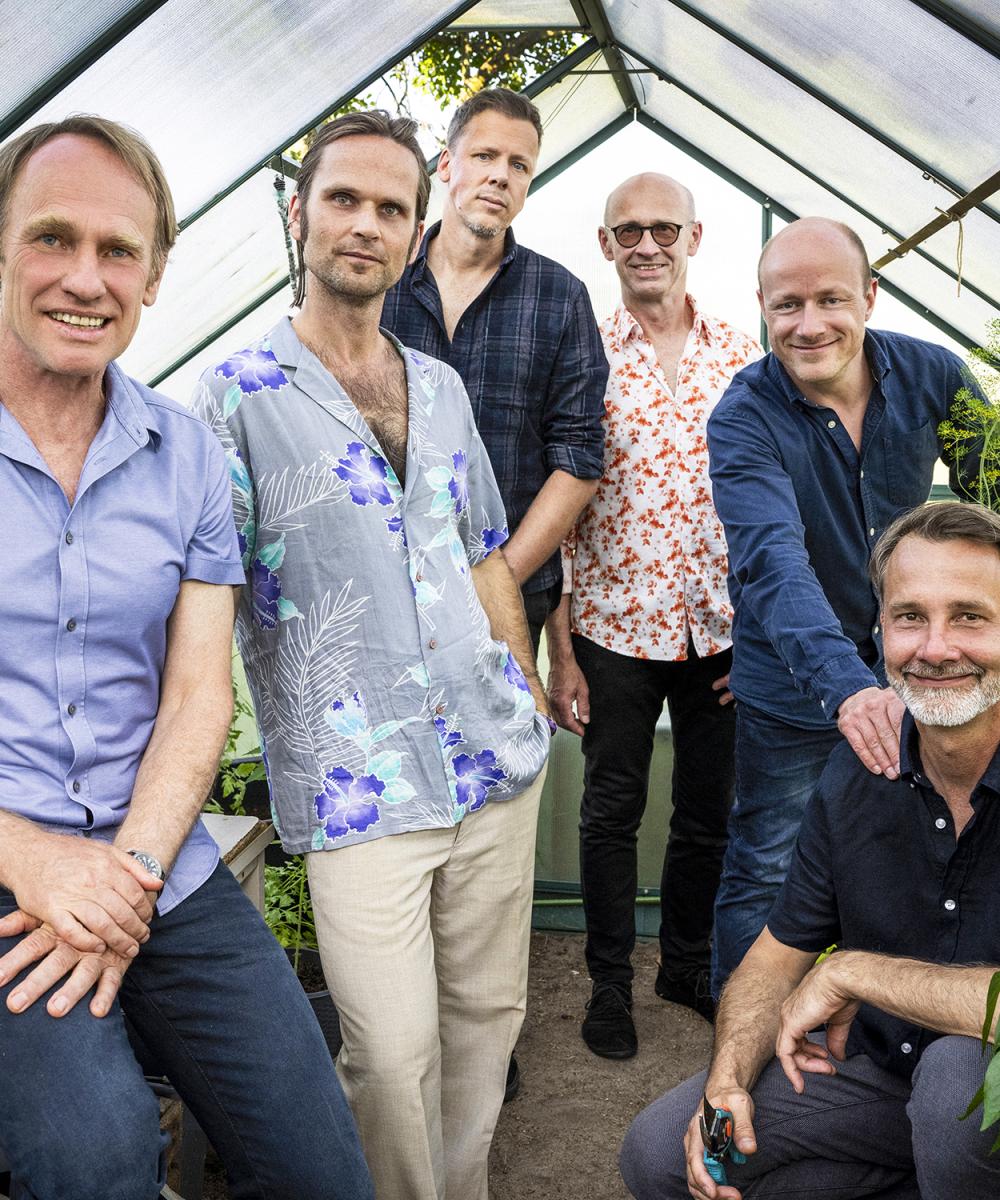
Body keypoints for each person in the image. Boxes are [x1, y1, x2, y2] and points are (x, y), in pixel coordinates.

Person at [0, 117, 371, 1200]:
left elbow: (200, 694)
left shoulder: (188, 455)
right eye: (51, 237)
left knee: (320, 1166)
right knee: (99, 1158)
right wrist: (33, 860)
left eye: (118, 250)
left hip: (156, 860)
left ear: (156, 274)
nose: (85, 278)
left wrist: (129, 880)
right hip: (8, 873)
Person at [194, 110, 551, 1200]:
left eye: (390, 208)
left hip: (490, 757)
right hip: (356, 784)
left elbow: (484, 548)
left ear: (414, 231)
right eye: (342, 199)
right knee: (391, 1058)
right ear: (297, 214)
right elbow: (205, 594)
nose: (365, 224)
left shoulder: (438, 386)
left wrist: (526, 689)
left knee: (486, 1022)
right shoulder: (233, 394)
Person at [621, 500, 1000, 1200]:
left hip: (978, 1095)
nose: (936, 647)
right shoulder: (862, 768)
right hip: (883, 1078)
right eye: (910, 617)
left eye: (970, 617)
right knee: (664, 1152)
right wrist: (727, 1079)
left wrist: (853, 974)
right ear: (879, 628)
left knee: (956, 1088)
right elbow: (775, 957)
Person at [708, 216, 984, 994]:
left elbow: (992, 498)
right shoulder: (743, 416)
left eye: (830, 299)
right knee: (768, 864)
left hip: (922, 671)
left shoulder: (936, 377)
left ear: (870, 296)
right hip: (796, 690)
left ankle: (878, 1023)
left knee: (905, 857)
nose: (809, 325)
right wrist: (850, 688)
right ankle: (742, 1039)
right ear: (763, 308)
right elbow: (773, 563)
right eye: (786, 305)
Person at [545, 173, 760, 1059]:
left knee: (708, 812)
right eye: (628, 230)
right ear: (605, 245)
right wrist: (561, 652)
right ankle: (609, 986)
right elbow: (555, 513)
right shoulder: (583, 356)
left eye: (663, 229)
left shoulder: (742, 355)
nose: (646, 245)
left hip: (722, 633)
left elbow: (767, 500)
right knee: (611, 813)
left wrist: (763, 637)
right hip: (612, 632)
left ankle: (685, 965)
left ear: (693, 238)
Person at [381, 87, 608, 652]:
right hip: (382, 583)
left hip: (511, 591)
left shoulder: (560, 297)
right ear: (446, 165)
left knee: (504, 714)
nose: (501, 176)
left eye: (519, 165)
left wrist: (497, 581)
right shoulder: (381, 282)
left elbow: (578, 459)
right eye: (484, 156)